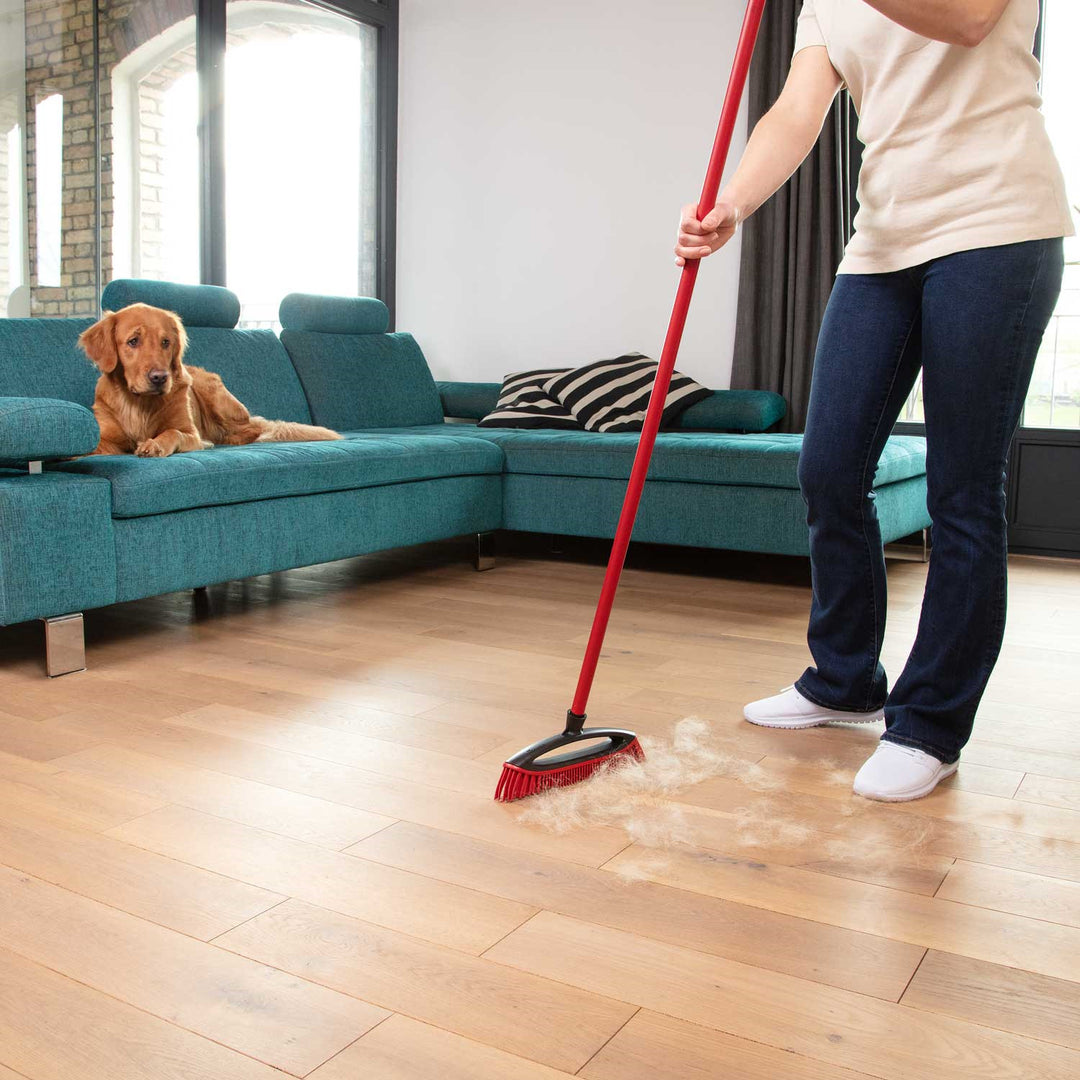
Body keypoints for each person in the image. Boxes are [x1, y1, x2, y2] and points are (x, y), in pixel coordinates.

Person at [676, 0, 1072, 801]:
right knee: (828, 468)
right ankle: (844, 677)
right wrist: (732, 208)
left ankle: (930, 723)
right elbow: (796, 109)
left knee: (961, 488)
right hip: (882, 244)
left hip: (997, 227)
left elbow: (964, 20)